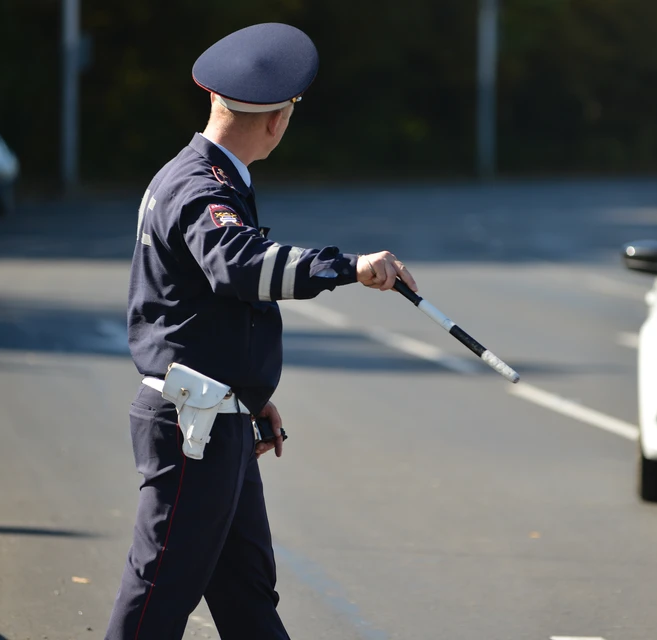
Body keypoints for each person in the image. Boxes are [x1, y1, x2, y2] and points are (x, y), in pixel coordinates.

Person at [105, 23, 417, 640]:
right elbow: (242, 268)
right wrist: (347, 268)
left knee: (247, 592)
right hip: (193, 426)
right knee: (157, 595)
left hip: (217, 415)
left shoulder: (205, 176)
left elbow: (201, 307)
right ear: (277, 120)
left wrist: (249, 394)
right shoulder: (201, 188)